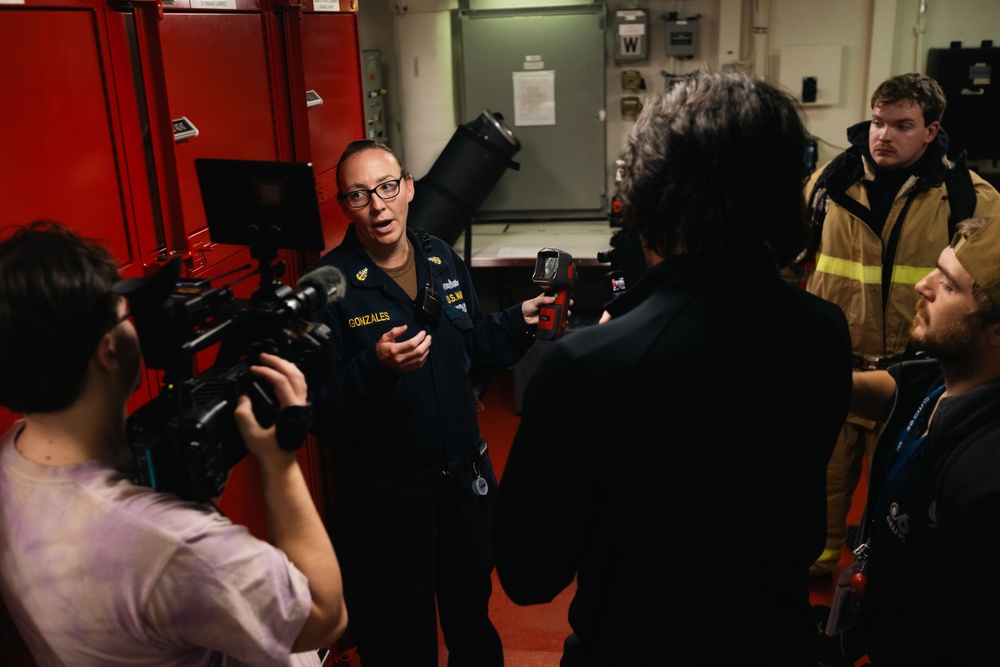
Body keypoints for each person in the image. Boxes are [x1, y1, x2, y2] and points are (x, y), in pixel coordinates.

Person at [492, 71, 854, 665]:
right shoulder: (821, 330)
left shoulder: (591, 367)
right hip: (776, 645)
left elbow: (528, 573)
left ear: (646, 192)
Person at [0, 221, 347, 666]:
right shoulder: (173, 545)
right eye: (125, 316)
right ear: (108, 351)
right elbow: (323, 615)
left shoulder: (12, 456)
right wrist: (279, 460)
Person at [306, 139, 557, 666]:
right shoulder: (325, 289)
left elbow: (470, 351)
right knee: (400, 641)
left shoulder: (439, 256)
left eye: (387, 187)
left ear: (409, 188)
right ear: (343, 206)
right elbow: (320, 409)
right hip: (388, 505)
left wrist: (522, 319)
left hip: (462, 487)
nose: (377, 206)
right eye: (358, 195)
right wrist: (376, 369)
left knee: (473, 624)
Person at [796, 73, 1000, 578]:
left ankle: (880, 584)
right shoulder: (827, 185)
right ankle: (813, 575)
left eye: (902, 125)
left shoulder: (973, 200)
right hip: (835, 370)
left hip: (915, 381)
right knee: (817, 490)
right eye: (878, 121)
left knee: (902, 496)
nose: (883, 135)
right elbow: (786, 261)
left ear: (932, 131)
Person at [822, 214, 1000, 665]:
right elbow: (889, 390)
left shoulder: (984, 482)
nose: (923, 286)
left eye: (949, 285)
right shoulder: (944, 382)